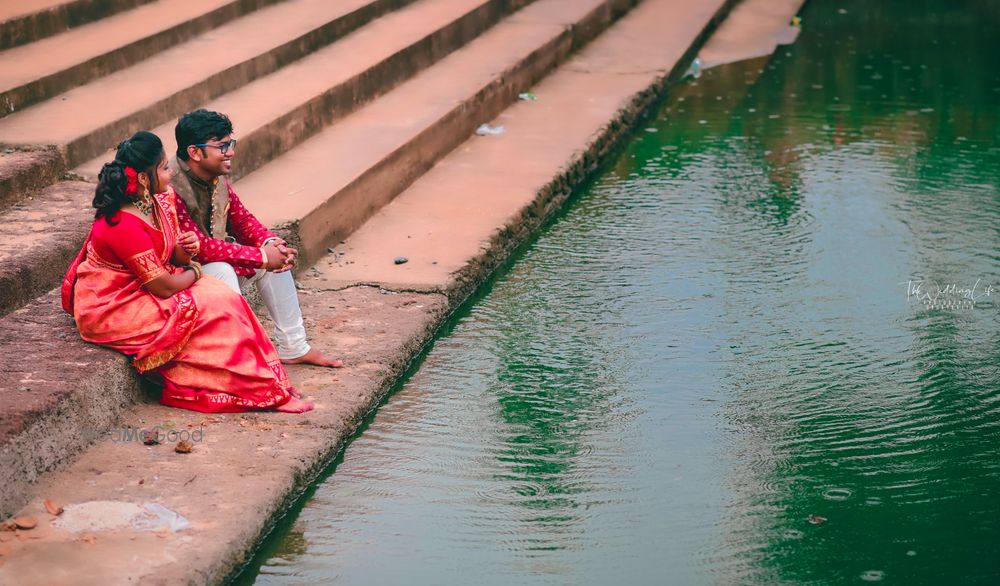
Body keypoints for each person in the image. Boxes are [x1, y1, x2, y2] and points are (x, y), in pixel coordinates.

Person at [62, 131, 313, 413]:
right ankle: (250, 389)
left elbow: (173, 254)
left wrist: (187, 250)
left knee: (226, 299)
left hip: (153, 283)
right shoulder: (121, 225)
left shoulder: (162, 199)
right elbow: (164, 288)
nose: (169, 173)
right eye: (163, 168)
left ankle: (268, 384)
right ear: (144, 179)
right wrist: (195, 269)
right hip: (115, 304)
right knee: (213, 308)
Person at [170, 109, 343, 368]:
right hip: (174, 276)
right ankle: (238, 357)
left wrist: (271, 244)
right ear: (195, 152)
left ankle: (294, 347)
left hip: (203, 266)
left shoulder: (214, 175)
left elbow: (240, 219)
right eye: (222, 146)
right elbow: (199, 248)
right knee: (224, 270)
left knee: (274, 259)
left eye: (231, 143)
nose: (231, 152)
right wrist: (262, 257)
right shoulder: (170, 186)